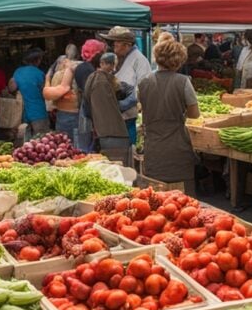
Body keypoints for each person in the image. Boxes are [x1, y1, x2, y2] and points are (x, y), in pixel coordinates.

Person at [138, 40, 200, 190]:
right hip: (177, 146)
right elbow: (195, 114)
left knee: (155, 196)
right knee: (183, 200)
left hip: (153, 147)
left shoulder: (144, 82)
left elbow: (142, 107)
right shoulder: (183, 82)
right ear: (179, 60)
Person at [86, 53, 137, 165]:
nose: (113, 68)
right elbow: (111, 106)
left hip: (103, 132)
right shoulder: (103, 81)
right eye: (112, 64)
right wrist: (125, 103)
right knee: (117, 166)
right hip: (112, 133)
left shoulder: (94, 78)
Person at [106, 26, 152, 145]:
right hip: (114, 115)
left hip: (127, 116)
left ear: (127, 45)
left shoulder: (140, 60)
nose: (114, 45)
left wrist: (121, 106)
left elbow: (144, 88)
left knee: (126, 148)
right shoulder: (118, 58)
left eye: (117, 43)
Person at [73, 39, 105, 152]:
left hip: (85, 111)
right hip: (87, 113)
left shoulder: (82, 67)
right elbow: (91, 94)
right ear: (96, 54)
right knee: (86, 149)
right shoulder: (88, 70)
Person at [9, 49, 50, 136]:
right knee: (41, 141)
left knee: (26, 143)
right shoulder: (40, 73)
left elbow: (12, 88)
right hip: (39, 112)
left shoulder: (18, 71)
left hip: (23, 114)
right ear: (38, 60)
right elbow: (46, 92)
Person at [42, 56, 80, 141]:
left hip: (67, 116)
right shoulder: (82, 69)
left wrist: (47, 80)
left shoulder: (61, 74)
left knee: (66, 145)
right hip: (77, 114)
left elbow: (48, 95)